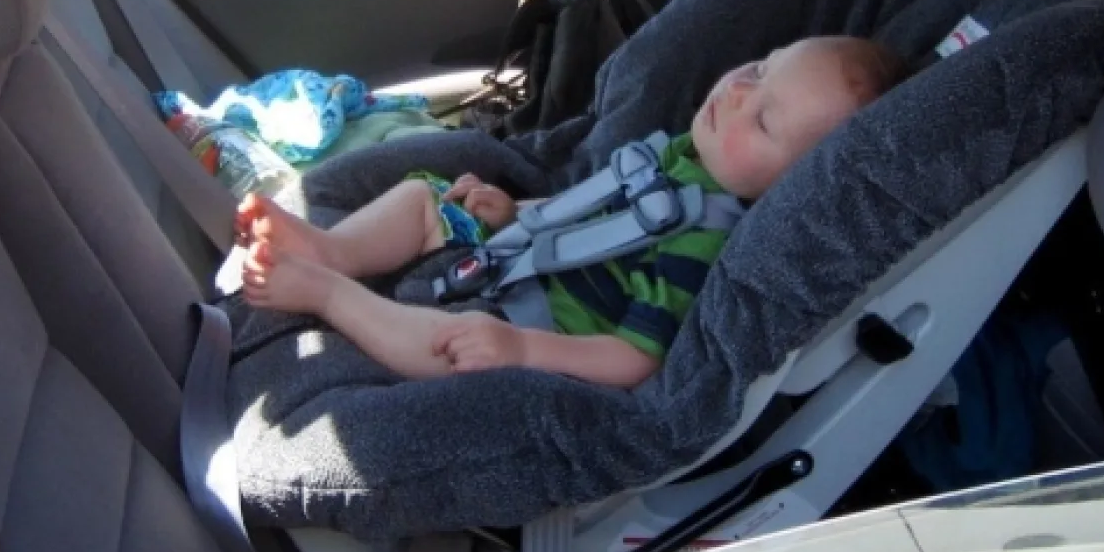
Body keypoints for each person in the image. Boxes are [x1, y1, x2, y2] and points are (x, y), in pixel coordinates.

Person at [235, 35, 911, 388]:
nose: (737, 92)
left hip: (530, 322)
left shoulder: (702, 242)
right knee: (423, 196)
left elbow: (635, 356)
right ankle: (334, 251)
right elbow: (592, 214)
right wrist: (514, 215)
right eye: (759, 69)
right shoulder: (679, 155)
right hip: (513, 255)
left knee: (449, 343)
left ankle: (328, 293)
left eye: (763, 119)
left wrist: (523, 348)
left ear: (787, 187)